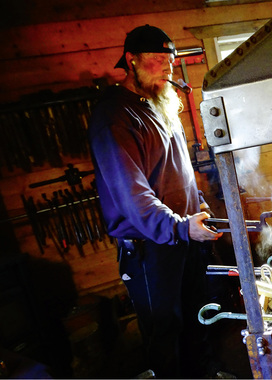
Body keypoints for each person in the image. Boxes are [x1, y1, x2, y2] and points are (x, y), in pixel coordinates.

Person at [88, 24, 225, 378]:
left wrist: (198, 208)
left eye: (171, 60)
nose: (167, 68)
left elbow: (176, 171)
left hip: (184, 237)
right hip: (150, 247)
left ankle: (206, 374)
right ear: (131, 61)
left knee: (198, 315)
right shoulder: (114, 117)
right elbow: (133, 195)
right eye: (158, 60)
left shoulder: (161, 104)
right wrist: (179, 227)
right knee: (165, 332)